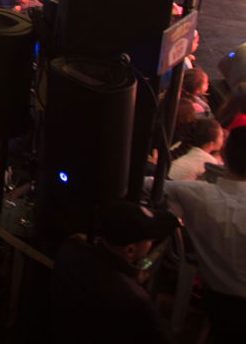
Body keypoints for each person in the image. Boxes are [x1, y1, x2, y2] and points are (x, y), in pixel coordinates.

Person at [48, 199, 178, 344]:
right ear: (130, 250)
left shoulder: (71, 249)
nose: (151, 244)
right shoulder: (135, 300)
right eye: (149, 241)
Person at [163, 127, 246, 340]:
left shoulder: (194, 194)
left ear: (224, 154)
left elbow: (146, 186)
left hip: (217, 304)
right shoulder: (195, 193)